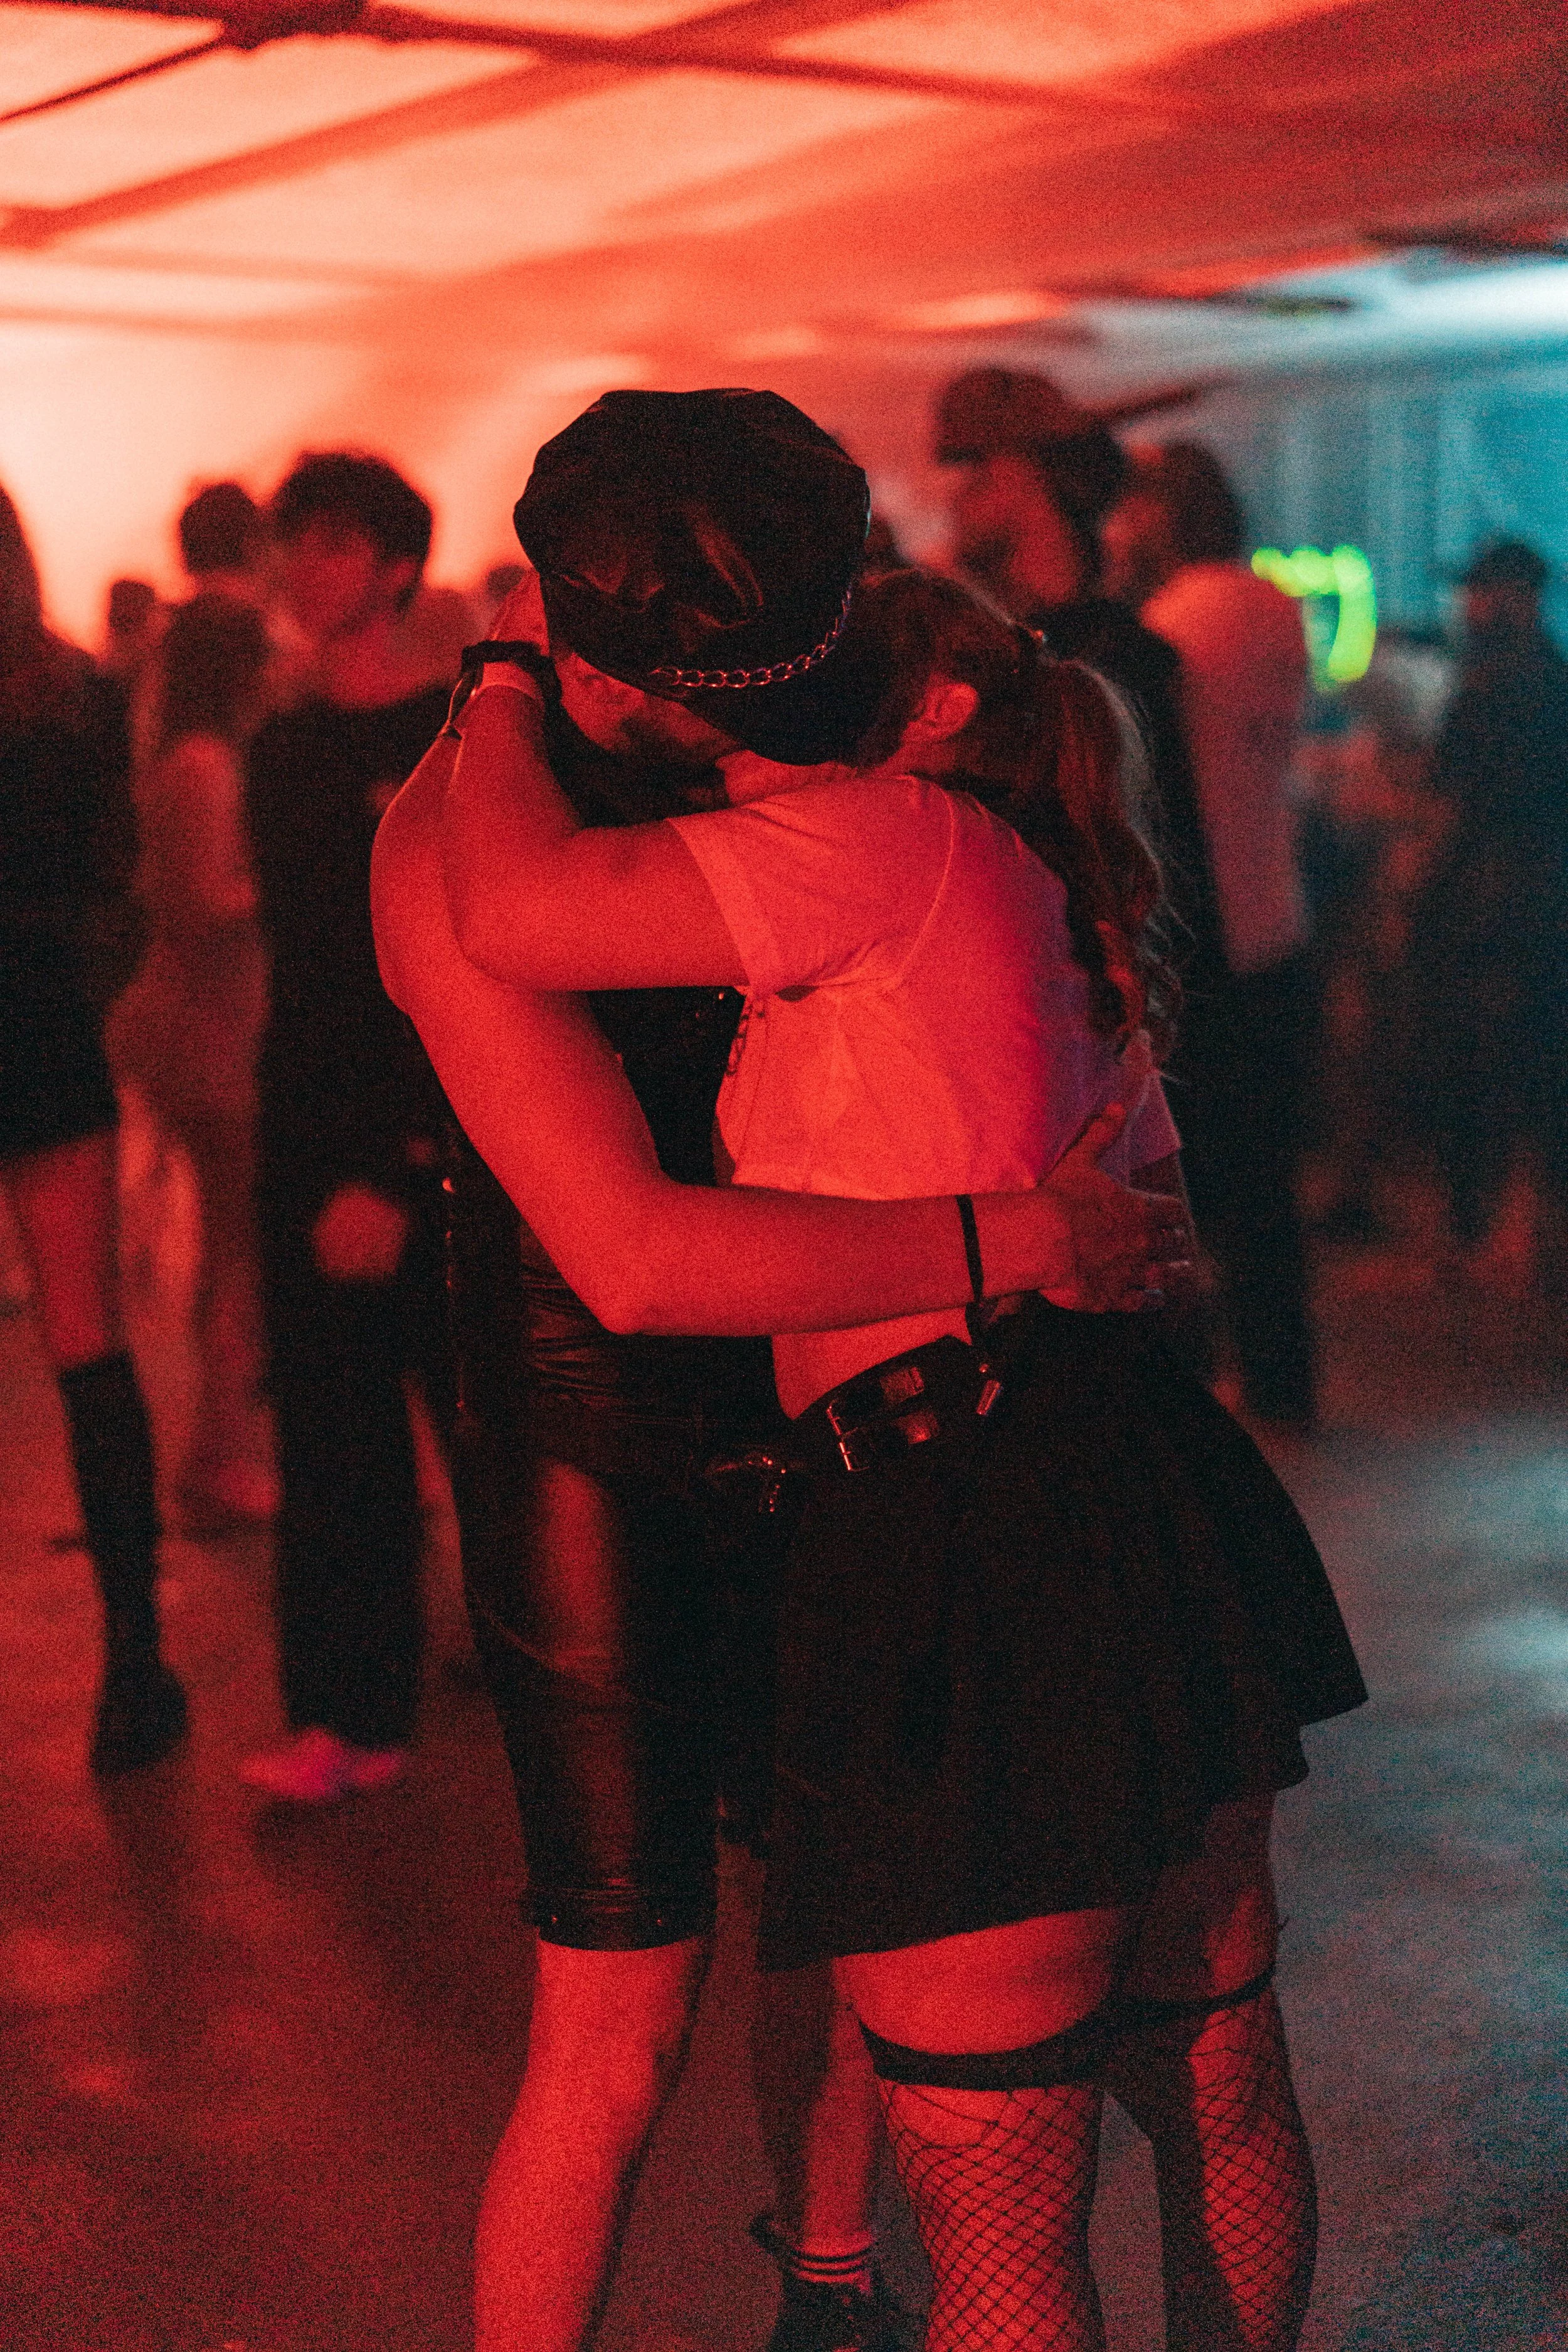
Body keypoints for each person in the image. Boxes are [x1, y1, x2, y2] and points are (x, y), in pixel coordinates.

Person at [427, 389, 1366, 2351]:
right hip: (1129, 1480)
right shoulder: (1042, 868)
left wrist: (512, 672)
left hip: (962, 1515)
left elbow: (509, 910)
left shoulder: (871, 841)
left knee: (1005, 2202)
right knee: (1212, 2070)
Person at [238, 452, 455, 1804]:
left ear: (389, 562)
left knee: (495, 1439)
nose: (301, 569)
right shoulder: (285, 743)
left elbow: (445, 971)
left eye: (328, 543)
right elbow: (305, 961)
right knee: (327, 1441)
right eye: (290, 545)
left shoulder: (452, 740)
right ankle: (345, 1716)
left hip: (427, 1144)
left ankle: (597, 1716)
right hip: (300, 1125)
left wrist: (398, 1163)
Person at [0, 484, 186, 1775]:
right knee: (88, 1344)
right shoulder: (71, 694)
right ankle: (134, 1665)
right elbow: (118, 880)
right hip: (41, 1022)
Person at [1109, 440, 1319, 1426]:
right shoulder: (1277, 608)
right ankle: (1287, 1376)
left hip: (1212, 922)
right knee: (1269, 1176)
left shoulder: (1172, 627)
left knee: (1200, 1175)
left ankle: (1219, 1387)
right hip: (1280, 907)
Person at [107, 593, 276, 1532]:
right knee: (236, 1249)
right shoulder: (207, 765)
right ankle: (221, 1452)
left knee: (229, 1244)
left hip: (192, 1021)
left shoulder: (179, 757)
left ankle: (223, 1448)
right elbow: (205, 903)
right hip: (211, 1025)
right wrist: (296, 884)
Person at [1409, 539, 1568, 1282]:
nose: (1468, 605)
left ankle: (1475, 1238)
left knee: (1472, 1072)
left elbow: (1451, 805)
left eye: (1478, 591)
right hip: (1544, 903)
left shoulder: (1486, 687)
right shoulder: (1555, 678)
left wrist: (1417, 879)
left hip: (1482, 908)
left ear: (1511, 595)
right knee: (1537, 1071)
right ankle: (1529, 1234)